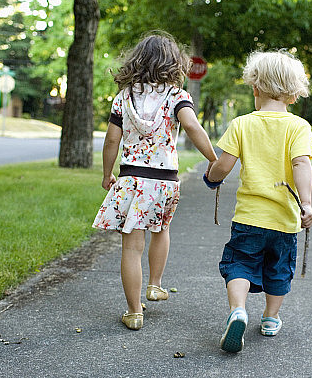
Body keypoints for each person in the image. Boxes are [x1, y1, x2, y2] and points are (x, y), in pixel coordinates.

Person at [93, 32, 218, 331]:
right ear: (173, 63)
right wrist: (214, 159)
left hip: (131, 179)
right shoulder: (177, 97)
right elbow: (191, 126)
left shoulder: (124, 98)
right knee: (161, 230)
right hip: (163, 181)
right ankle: (155, 284)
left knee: (131, 248)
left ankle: (134, 312)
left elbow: (112, 139)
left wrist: (106, 173)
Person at [205, 50, 312, 353]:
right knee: (279, 268)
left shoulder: (242, 124)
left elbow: (224, 165)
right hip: (284, 220)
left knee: (239, 263)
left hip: (249, 218)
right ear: (294, 94)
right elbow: (301, 165)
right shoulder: (298, 127)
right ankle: (270, 317)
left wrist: (213, 177)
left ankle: (238, 310)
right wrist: (305, 203)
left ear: (255, 87)